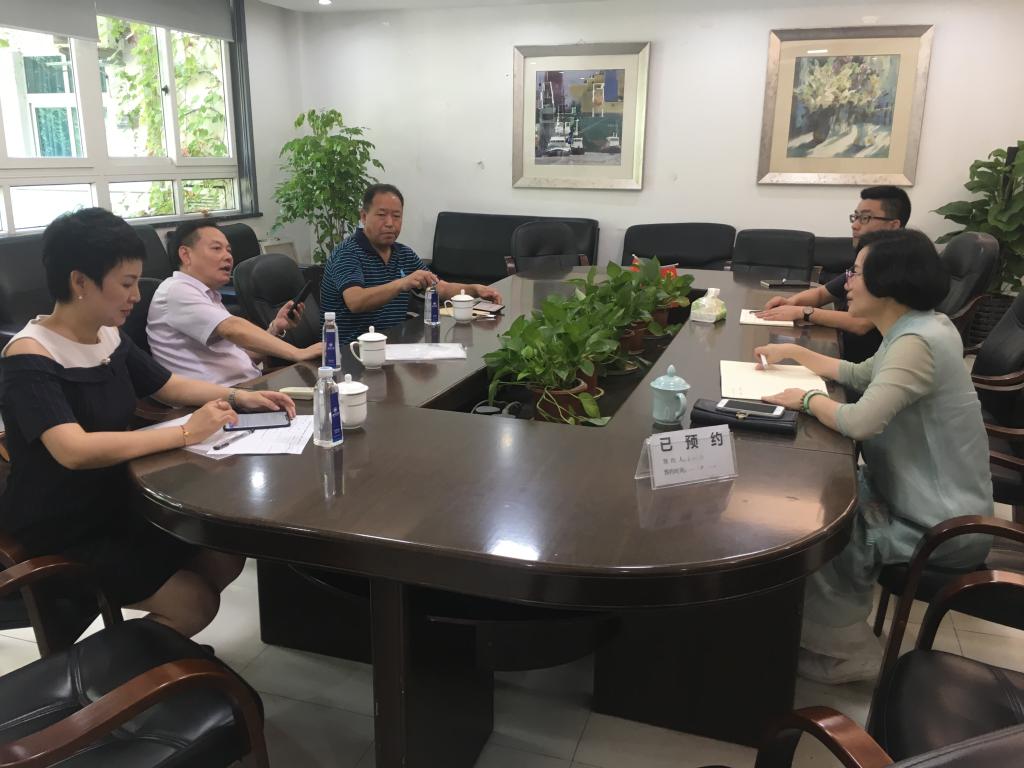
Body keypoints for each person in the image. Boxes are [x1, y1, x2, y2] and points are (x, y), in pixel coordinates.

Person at [0, 208, 297, 638]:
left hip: (118, 501)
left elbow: (166, 385)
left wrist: (238, 395)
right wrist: (185, 433)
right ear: (80, 282)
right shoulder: (30, 355)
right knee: (194, 601)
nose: (136, 296)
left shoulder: (107, 334)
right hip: (63, 528)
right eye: (126, 283)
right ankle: (126, 665)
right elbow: (73, 449)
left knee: (223, 555)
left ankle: (158, 649)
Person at [753, 229, 992, 684]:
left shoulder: (917, 341)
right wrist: (794, 352)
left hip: (940, 523)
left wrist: (806, 400)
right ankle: (815, 628)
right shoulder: (918, 327)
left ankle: (847, 653)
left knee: (826, 526)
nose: (847, 282)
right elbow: (860, 373)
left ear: (889, 281)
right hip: (915, 497)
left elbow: (860, 422)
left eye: (857, 272)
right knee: (817, 494)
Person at [320, 184, 504, 342]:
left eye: (397, 216)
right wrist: (402, 283)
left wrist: (475, 289)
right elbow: (356, 301)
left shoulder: (403, 253)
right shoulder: (347, 253)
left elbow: (440, 288)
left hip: (393, 346)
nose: (390, 223)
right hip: (350, 352)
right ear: (363, 216)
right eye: (382, 215)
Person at [147, 220, 322, 386]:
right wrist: (297, 353)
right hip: (216, 399)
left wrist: (275, 328)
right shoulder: (176, 290)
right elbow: (232, 328)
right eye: (216, 248)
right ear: (186, 255)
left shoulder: (208, 295)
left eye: (228, 250)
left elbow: (243, 357)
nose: (228, 256)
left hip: (246, 387)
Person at [757, 186, 912, 363]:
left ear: (893, 225)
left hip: (865, 364)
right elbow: (822, 293)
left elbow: (862, 323)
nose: (855, 225)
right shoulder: (865, 260)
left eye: (865, 218)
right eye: (855, 217)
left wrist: (803, 312)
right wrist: (790, 303)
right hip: (845, 359)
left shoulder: (901, 268)